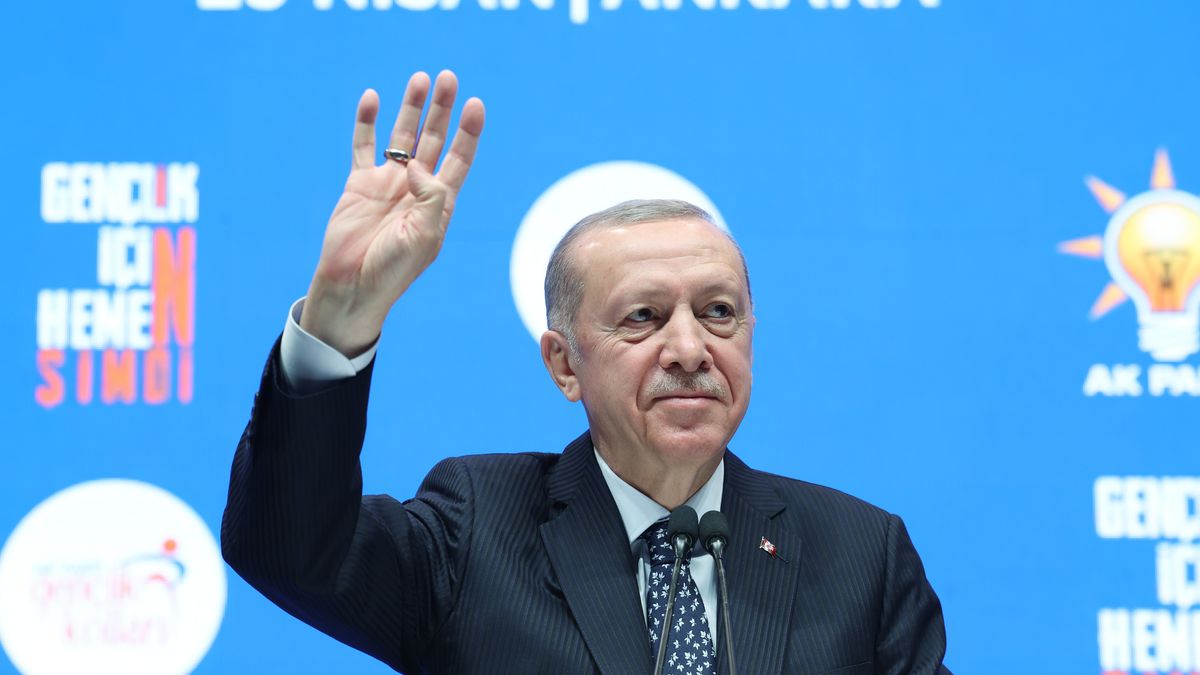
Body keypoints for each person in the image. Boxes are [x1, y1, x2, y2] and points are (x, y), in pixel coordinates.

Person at [221, 69, 950, 674]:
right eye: (643, 317)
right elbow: (289, 549)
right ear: (564, 364)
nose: (690, 347)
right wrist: (338, 318)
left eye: (719, 311)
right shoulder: (478, 530)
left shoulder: (861, 555)